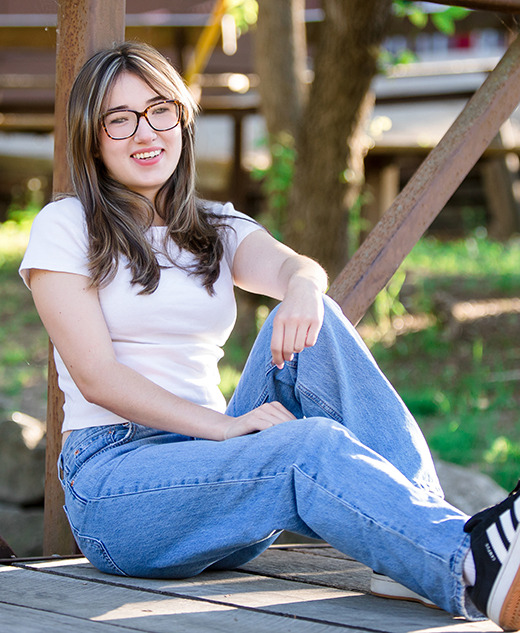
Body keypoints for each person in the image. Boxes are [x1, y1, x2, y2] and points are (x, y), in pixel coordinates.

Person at [19, 41, 520, 630]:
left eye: (158, 110)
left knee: (320, 322)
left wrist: (305, 290)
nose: (144, 132)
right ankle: (468, 559)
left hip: (221, 479)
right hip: (119, 490)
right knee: (305, 445)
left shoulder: (213, 225)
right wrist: (229, 428)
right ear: (92, 138)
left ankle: (413, 547)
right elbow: (96, 377)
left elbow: (296, 269)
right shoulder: (67, 225)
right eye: (118, 119)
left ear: (180, 118)